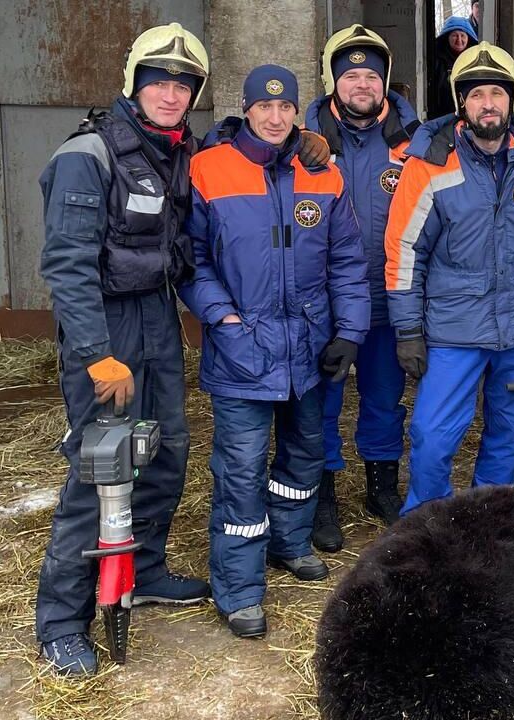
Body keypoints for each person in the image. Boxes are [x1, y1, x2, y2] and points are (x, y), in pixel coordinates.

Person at [35, 23, 212, 676]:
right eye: (159, 82)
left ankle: (145, 566)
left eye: (183, 85)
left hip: (156, 318)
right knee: (100, 467)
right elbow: (67, 265)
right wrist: (93, 353)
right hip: (104, 326)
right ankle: (60, 621)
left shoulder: (175, 150)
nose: (171, 94)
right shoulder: (89, 154)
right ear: (134, 85)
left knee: (166, 450)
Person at [182, 65, 369, 639]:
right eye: (264, 107)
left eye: (285, 107)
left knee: (304, 453)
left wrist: (349, 332)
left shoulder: (322, 173)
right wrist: (224, 317)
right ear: (246, 108)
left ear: (296, 111)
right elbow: (191, 259)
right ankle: (238, 587)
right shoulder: (208, 170)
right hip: (244, 349)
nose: (275, 116)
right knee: (239, 469)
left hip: (308, 348)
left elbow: (347, 261)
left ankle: (289, 542)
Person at [385, 42, 514, 516]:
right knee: (432, 435)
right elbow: (405, 251)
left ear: (512, 99)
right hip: (454, 329)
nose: (487, 103)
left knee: (508, 432)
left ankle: (489, 523)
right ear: (461, 103)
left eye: (496, 92)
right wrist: (407, 330)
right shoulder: (429, 164)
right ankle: (426, 524)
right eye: (476, 95)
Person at [305, 24, 421, 551]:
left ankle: (380, 486)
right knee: (321, 400)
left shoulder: (414, 140)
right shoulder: (298, 136)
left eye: (370, 76)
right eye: (349, 75)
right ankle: (321, 490)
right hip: (320, 300)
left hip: (387, 295)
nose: (360, 85)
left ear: (385, 83)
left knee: (384, 395)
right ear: (333, 83)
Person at [427, 16, 478, 119]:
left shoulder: (475, 60)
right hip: (441, 115)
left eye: (462, 35)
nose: (459, 40)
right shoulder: (436, 60)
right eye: (454, 35)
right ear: (447, 37)